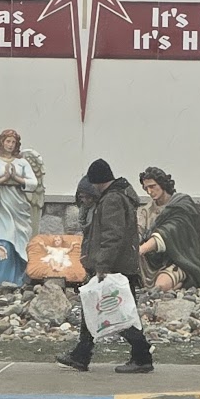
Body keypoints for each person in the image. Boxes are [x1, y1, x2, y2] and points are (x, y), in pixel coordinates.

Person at [57, 159, 154, 375]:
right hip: (118, 266)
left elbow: (112, 236)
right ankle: (81, 355)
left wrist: (102, 265)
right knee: (93, 308)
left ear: (98, 181)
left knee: (120, 313)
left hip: (113, 268)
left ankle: (142, 356)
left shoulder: (112, 200)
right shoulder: (119, 196)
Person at [0, 130, 39, 284]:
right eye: (8, 141)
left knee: (20, 240)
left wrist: (17, 178)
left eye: (13, 142)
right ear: (2, 142)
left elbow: (34, 184)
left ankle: (18, 280)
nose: (10, 145)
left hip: (18, 205)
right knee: (4, 240)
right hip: (0, 205)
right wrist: (3, 179)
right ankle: (0, 279)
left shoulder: (22, 163)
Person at [136, 167, 200, 293]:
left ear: (162, 184)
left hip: (178, 258)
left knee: (161, 286)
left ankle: (181, 283)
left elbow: (169, 230)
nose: (149, 191)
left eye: (152, 186)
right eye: (146, 188)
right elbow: (139, 231)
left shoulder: (180, 204)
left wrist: (142, 249)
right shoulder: (146, 210)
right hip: (151, 261)